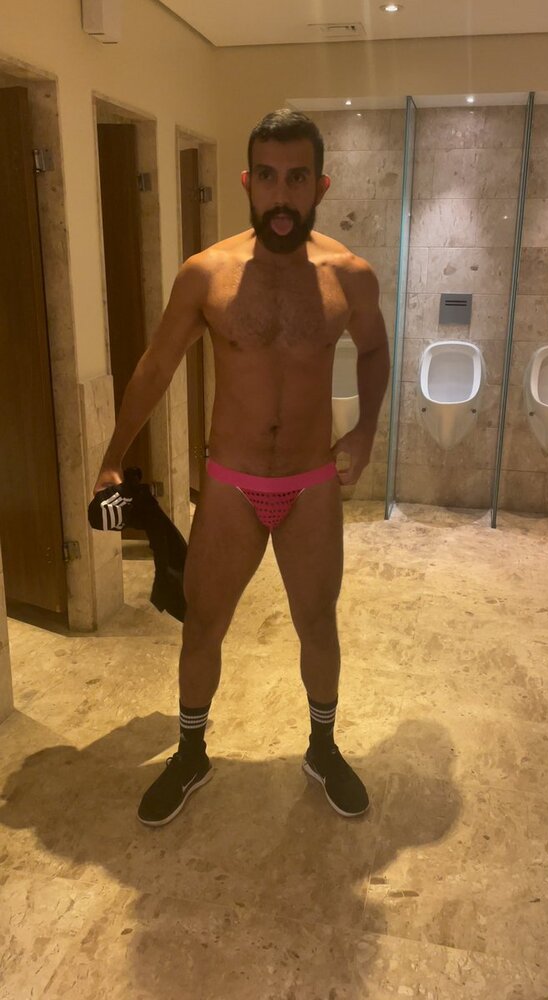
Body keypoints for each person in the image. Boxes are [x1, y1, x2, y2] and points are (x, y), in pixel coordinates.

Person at [93, 109, 390, 827]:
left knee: (317, 621)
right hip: (231, 482)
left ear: (319, 185)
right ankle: (191, 754)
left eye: (297, 178)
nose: (281, 195)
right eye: (268, 177)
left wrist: (365, 430)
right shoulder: (206, 274)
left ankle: (322, 748)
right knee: (203, 625)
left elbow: (376, 350)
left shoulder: (349, 276)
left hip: (310, 482)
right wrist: (111, 458)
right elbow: (156, 366)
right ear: (247, 181)